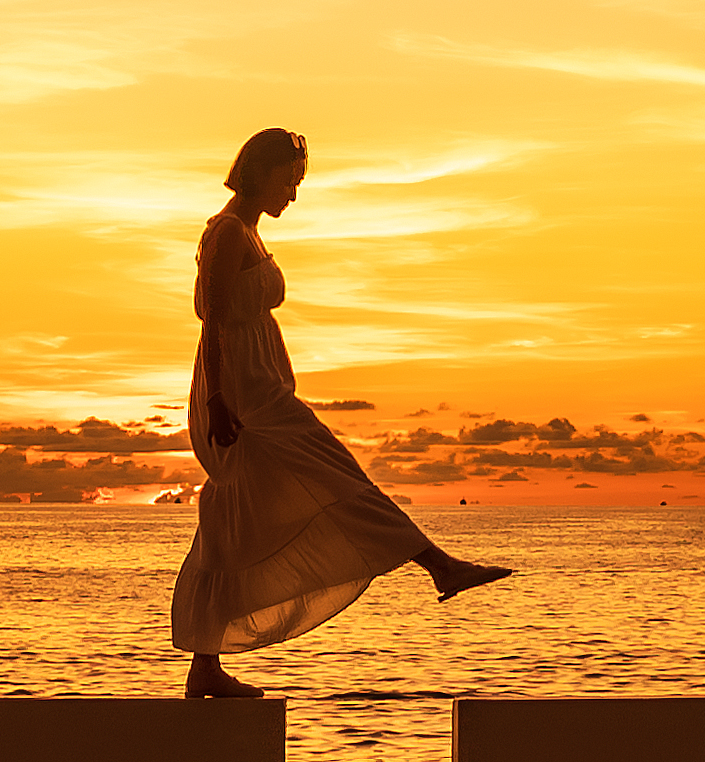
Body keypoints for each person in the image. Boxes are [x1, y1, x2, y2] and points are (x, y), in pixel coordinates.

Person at [167, 128, 507, 699]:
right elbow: (215, 322)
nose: (293, 194)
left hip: (259, 388)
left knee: (232, 519)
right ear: (260, 173)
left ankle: (205, 666)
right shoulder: (226, 233)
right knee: (338, 478)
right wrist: (219, 400)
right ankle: (440, 566)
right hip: (246, 399)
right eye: (288, 181)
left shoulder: (246, 231)